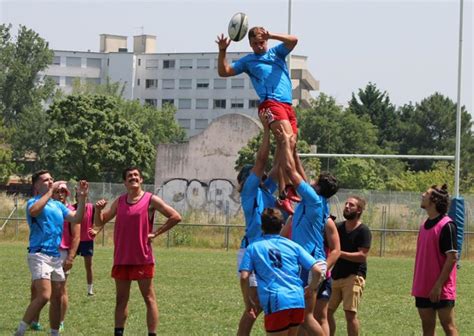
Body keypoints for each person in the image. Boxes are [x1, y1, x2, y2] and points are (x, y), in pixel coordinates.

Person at [216, 26, 303, 214]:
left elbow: (294, 40)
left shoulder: (276, 53)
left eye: (262, 42)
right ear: (250, 44)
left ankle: (287, 189)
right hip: (271, 103)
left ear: (267, 41)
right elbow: (224, 72)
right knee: (286, 141)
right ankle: (284, 191)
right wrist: (222, 51)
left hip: (288, 105)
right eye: (255, 44)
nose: (259, 46)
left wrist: (272, 34)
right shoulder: (249, 61)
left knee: (290, 146)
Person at [91, 166, 182, 336]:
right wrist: (98, 210)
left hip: (142, 258)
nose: (133, 177)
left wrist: (156, 232)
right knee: (121, 300)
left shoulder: (150, 200)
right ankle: (118, 332)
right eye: (129, 176)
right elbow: (101, 221)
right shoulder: (120, 201)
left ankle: (152, 333)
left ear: (141, 180)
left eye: (136, 175)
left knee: (148, 298)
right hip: (121, 258)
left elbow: (175, 216)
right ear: (125, 182)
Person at [276, 125, 339, 335]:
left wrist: (285, 142)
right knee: (300, 316)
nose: (309, 180)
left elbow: (290, 170)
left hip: (309, 262)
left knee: (304, 316)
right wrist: (293, 150)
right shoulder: (317, 200)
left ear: (318, 186)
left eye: (314, 181)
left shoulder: (312, 199)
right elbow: (298, 171)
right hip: (307, 261)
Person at [15, 170, 88, 336]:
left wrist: (82, 198)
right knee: (44, 295)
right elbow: (34, 211)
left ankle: (54, 333)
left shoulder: (57, 205)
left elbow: (77, 218)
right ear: (36, 185)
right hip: (39, 254)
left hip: (54, 257)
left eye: (51, 179)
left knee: (57, 297)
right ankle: (20, 331)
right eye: (46, 180)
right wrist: (50, 191)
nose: (50, 182)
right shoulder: (33, 202)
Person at [239, 208, 323, 336]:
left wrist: (248, 302)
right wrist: (311, 289)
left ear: (262, 227)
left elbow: (244, 277)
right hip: (297, 300)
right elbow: (317, 270)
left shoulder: (253, 247)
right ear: (282, 226)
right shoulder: (293, 245)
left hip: (277, 301)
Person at [236, 113, 278, 335]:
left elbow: (279, 167)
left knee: (265, 303)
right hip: (251, 250)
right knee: (253, 306)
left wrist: (286, 139)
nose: (260, 173)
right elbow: (262, 161)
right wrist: (267, 130)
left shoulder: (265, 189)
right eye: (254, 173)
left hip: (267, 251)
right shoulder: (250, 191)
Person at [412, 184, 458, 336]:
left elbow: (452, 258)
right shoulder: (424, 225)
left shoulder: (447, 225)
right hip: (423, 286)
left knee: (448, 326)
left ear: (434, 200)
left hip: (441, 289)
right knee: (427, 328)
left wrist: (438, 286)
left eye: (426, 193)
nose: (422, 195)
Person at [328, 196, 372, 336]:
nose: (346, 206)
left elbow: (362, 255)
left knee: (350, 315)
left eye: (351, 205)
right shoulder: (338, 227)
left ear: (358, 210)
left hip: (354, 276)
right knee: (326, 312)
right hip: (336, 275)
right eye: (346, 203)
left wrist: (339, 253)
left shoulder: (363, 231)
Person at [73, 191, 96, 296]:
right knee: (67, 263)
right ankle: (61, 285)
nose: (81, 197)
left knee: (89, 266)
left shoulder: (92, 208)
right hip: (74, 240)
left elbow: (99, 221)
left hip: (87, 240)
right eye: (78, 195)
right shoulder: (72, 208)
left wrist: (96, 230)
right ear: (76, 197)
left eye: (83, 195)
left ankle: (90, 289)